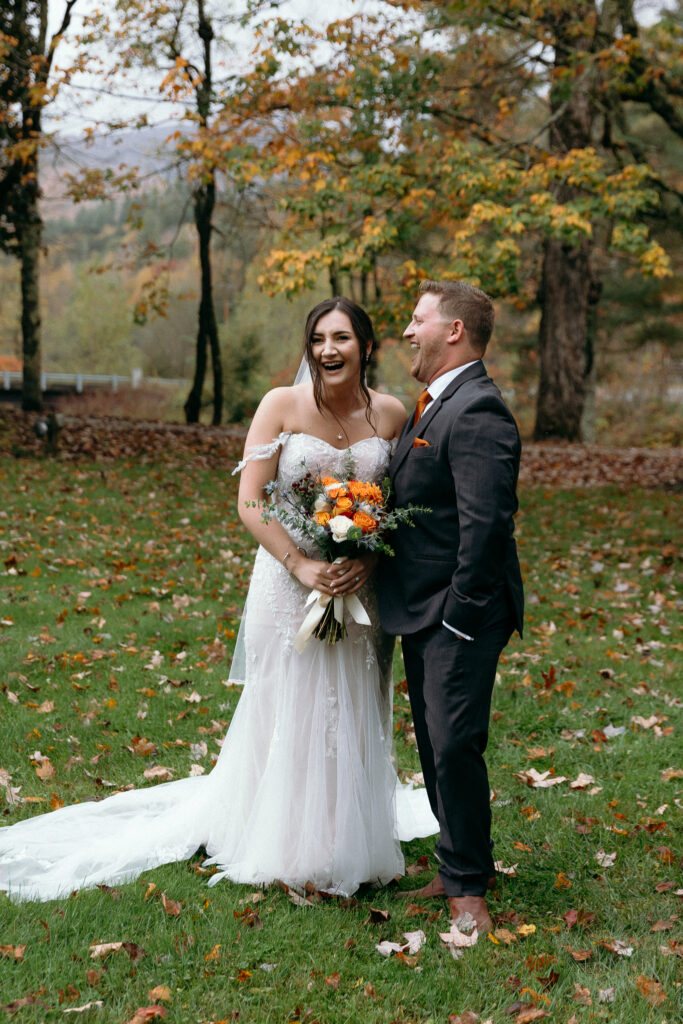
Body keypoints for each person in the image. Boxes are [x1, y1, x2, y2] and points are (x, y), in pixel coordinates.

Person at [0, 297, 436, 903]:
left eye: (341, 337)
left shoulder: (390, 414)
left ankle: (348, 838)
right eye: (317, 339)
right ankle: (284, 841)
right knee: (290, 704)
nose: (327, 350)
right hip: (288, 582)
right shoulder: (280, 406)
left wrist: (362, 557)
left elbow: (393, 503)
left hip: (358, 591)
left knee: (351, 702)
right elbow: (251, 500)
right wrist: (302, 562)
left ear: (366, 345)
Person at [378, 280, 524, 932]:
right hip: (422, 607)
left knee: (454, 743)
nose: (408, 331)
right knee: (436, 744)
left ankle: (469, 892)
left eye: (417, 319)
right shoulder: (434, 404)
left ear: (453, 330)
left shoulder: (477, 413)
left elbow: (485, 525)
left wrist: (460, 615)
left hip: (457, 612)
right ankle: (456, 863)